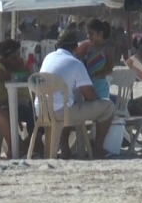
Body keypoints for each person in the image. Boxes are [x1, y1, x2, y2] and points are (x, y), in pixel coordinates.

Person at [39, 31, 115, 159]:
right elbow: (89, 95)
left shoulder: (48, 58)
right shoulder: (75, 63)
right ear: (75, 48)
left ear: (57, 46)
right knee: (108, 107)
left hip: (42, 110)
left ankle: (65, 148)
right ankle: (97, 149)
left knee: (67, 103)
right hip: (61, 111)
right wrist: (98, 102)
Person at [0, 39, 37, 145]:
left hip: (25, 101)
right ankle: (30, 144)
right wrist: (19, 70)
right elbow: (3, 77)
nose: (18, 59)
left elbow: (31, 75)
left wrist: (26, 68)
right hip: (6, 103)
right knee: (31, 115)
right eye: (13, 57)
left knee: (40, 114)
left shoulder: (21, 63)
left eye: (18, 55)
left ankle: (31, 143)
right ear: (4, 58)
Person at [75, 19, 116, 101]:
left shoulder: (107, 49)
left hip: (100, 84)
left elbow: (109, 69)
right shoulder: (88, 46)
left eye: (91, 34)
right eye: (87, 33)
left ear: (100, 33)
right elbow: (76, 55)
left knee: (101, 108)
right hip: (89, 84)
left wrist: (95, 76)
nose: (88, 36)